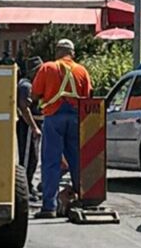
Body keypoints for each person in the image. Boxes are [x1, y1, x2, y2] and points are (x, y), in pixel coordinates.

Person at [31, 39, 93, 218]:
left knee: (51, 161)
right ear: (72, 53)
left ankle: (49, 207)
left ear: (57, 52)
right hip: (75, 117)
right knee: (76, 160)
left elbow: (35, 94)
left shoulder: (48, 68)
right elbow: (88, 96)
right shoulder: (82, 70)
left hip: (54, 116)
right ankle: (80, 199)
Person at [16, 57, 43, 203]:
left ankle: (29, 186)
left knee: (34, 158)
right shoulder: (26, 86)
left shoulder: (33, 84)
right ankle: (24, 189)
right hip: (26, 127)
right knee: (27, 158)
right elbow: (23, 107)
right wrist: (34, 127)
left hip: (33, 126)